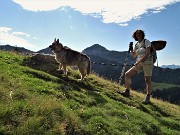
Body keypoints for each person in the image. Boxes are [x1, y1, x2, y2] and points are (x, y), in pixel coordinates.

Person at [121, 29, 154, 104]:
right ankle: (127, 91)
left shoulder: (146, 41)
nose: (138, 34)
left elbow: (147, 53)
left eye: (139, 33)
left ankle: (148, 97)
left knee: (147, 79)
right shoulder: (136, 44)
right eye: (137, 33)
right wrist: (131, 49)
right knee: (127, 74)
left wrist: (138, 62)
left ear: (142, 34)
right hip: (139, 63)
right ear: (135, 35)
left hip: (148, 62)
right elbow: (134, 55)